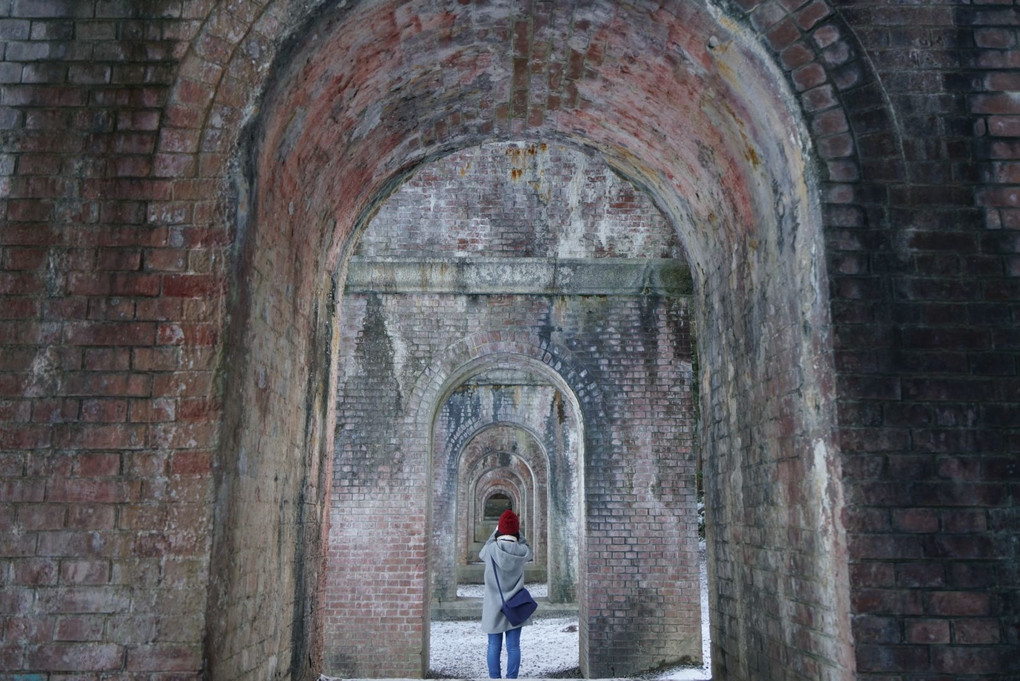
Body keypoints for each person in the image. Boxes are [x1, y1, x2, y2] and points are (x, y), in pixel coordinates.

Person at [479, 509, 533, 679]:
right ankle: (512, 678)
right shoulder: (522, 550)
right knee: (514, 647)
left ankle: (495, 678)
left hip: (493, 606)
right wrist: (517, 532)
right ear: (517, 531)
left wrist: (496, 531)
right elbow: (529, 548)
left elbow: (483, 551)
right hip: (515, 605)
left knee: (493, 647)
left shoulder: (490, 549)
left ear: (499, 530)